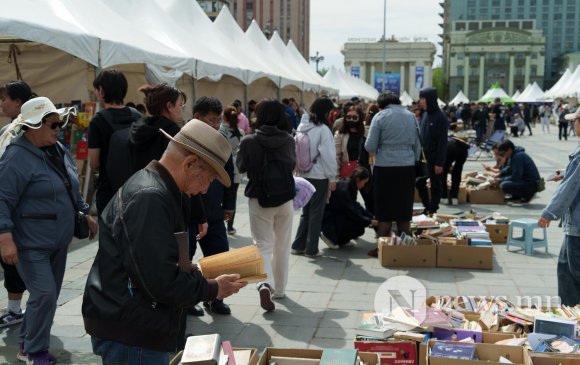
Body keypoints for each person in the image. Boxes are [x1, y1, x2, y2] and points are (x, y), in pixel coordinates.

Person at [82, 120, 246, 364]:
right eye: (208, 179)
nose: (204, 190)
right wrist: (213, 289)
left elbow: (154, 262)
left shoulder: (158, 190)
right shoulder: (151, 197)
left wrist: (198, 272)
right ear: (189, 163)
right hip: (132, 329)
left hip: (134, 322)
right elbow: (162, 282)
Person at [0, 97, 97, 364]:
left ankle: (25, 344)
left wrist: (83, 211)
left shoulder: (57, 149)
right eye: (52, 124)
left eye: (59, 123)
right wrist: (5, 237)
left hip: (57, 239)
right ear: (32, 126)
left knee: (47, 296)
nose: (58, 129)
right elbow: (2, 199)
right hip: (31, 243)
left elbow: (70, 183)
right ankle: (34, 350)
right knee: (44, 294)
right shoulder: (16, 157)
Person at [237, 99, 295, 312]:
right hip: (285, 198)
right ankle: (279, 289)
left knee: (262, 244)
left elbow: (241, 167)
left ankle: (265, 284)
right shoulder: (288, 140)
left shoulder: (249, 140)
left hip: (259, 198)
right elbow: (292, 165)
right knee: (282, 245)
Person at [188, 96, 236, 315]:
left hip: (214, 211)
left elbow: (230, 175)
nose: (216, 125)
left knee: (219, 257)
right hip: (188, 213)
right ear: (197, 117)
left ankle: (216, 297)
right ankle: (188, 300)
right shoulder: (184, 141)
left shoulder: (221, 141)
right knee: (185, 259)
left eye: (218, 120)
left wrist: (229, 205)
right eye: (212, 120)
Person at [365, 92, 421, 257]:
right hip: (407, 166)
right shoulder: (411, 116)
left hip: (385, 166)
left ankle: (383, 247)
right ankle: (406, 247)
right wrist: (413, 160)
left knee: (384, 207)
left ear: (381, 105)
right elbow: (418, 144)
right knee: (404, 207)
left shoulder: (380, 117)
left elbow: (370, 146)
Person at [538, 110, 580, 306]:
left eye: (576, 121)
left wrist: (549, 213)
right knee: (564, 268)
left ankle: (573, 315)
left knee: (574, 272)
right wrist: (566, 172)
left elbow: (570, 187)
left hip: (578, 225)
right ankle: (570, 313)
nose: (573, 125)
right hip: (575, 224)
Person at [0, 80, 32, 328]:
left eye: (5, 99)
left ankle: (15, 309)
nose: (2, 104)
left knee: (12, 258)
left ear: (18, 103)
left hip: (17, 205)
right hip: (9, 202)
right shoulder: (9, 129)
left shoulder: (25, 130)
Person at [88, 69, 142, 213]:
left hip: (109, 192)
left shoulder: (97, 121)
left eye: (96, 90)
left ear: (101, 90)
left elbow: (94, 163)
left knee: (110, 234)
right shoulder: (137, 116)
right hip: (136, 189)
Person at [291, 97, 338, 257]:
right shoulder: (323, 129)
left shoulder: (302, 125)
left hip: (303, 173)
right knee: (317, 213)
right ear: (326, 111)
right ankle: (311, 249)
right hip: (319, 175)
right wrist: (332, 178)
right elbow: (329, 156)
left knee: (306, 211)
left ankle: (298, 245)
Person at [321, 167, 375, 248]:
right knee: (359, 228)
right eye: (364, 182)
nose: (364, 185)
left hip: (335, 216)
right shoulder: (345, 190)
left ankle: (340, 240)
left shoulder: (349, 184)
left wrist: (371, 216)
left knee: (359, 221)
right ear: (357, 179)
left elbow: (356, 205)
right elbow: (352, 211)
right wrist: (370, 221)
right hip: (330, 220)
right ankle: (331, 238)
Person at [416, 87, 449, 215]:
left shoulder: (440, 117)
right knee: (419, 182)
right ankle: (427, 206)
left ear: (430, 99)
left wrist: (440, 163)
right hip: (423, 157)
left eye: (423, 98)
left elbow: (442, 142)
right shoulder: (424, 115)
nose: (420, 101)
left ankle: (433, 208)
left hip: (435, 158)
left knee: (436, 185)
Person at [220, 106, 245, 235]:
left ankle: (219, 223)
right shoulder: (241, 132)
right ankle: (230, 226)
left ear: (224, 116)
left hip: (222, 166)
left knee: (219, 195)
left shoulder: (221, 131)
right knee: (232, 197)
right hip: (236, 169)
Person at [335, 104, 365, 180]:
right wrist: (336, 175)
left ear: (360, 119)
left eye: (354, 117)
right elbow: (336, 156)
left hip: (365, 172)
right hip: (348, 173)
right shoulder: (339, 134)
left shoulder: (366, 133)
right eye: (348, 117)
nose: (351, 120)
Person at [443, 132, 470, 206]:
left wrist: (449, 166)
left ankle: (444, 197)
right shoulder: (465, 148)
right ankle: (454, 197)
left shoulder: (450, 143)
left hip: (450, 150)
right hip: (463, 151)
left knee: (443, 174)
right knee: (457, 173)